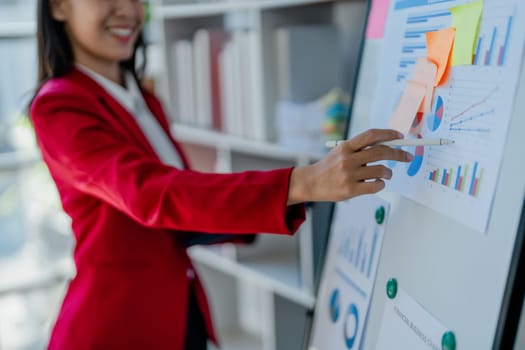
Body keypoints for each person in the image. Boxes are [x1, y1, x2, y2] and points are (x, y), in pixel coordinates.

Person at [30, 0, 413, 349]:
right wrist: (301, 182)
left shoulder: (143, 100)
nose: (128, 10)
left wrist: (307, 192)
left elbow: (181, 220)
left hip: (180, 312)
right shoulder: (60, 105)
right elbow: (152, 194)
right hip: (117, 326)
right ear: (59, 7)